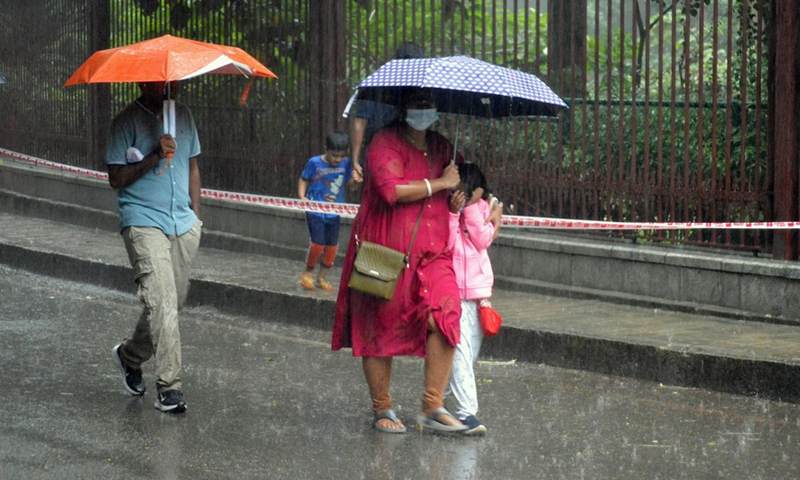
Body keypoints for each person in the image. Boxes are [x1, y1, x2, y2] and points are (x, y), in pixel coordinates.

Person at [332, 88, 468, 434]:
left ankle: (432, 405)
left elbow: (453, 189)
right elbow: (391, 190)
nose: (424, 110)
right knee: (381, 324)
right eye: (417, 104)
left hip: (434, 251)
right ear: (402, 107)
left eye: (430, 104)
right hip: (388, 251)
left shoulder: (442, 146)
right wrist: (439, 183)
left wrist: (457, 197)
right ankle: (382, 407)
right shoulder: (384, 142)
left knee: (448, 312)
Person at [106, 81, 202, 414]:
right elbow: (115, 178)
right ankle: (169, 388)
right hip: (143, 220)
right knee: (161, 301)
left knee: (172, 301)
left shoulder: (185, 116)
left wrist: (196, 219)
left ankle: (130, 356)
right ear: (143, 83)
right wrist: (155, 156)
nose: (171, 89)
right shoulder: (126, 121)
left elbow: (191, 166)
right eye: (163, 84)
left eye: (176, 83)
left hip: (181, 223)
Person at [446, 162, 502, 436]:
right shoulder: (449, 212)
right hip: (454, 293)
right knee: (460, 351)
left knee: (468, 356)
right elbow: (446, 243)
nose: (461, 197)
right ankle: (467, 412)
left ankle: (437, 399)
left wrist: (473, 210)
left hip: (479, 295)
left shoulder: (480, 209)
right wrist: (453, 212)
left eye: (467, 193)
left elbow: (482, 240)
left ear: (478, 191)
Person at [349, 42, 424, 181]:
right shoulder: (416, 87)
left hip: (398, 149)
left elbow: (359, 123)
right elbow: (360, 123)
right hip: (383, 148)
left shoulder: (375, 84)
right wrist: (355, 160)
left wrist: (356, 159)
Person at [298, 131, 360, 290]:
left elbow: (351, 187)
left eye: (341, 156)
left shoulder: (346, 164)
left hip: (335, 211)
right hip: (315, 210)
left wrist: (356, 181)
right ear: (326, 149)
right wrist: (302, 197)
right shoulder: (314, 162)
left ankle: (322, 277)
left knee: (332, 247)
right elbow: (304, 179)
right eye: (334, 156)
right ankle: (308, 274)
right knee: (318, 244)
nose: (337, 159)